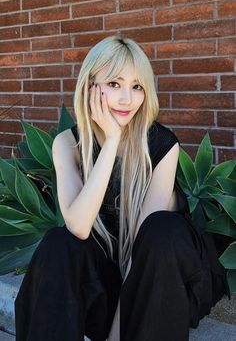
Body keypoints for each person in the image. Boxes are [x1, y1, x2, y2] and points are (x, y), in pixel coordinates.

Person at [15, 36, 230, 341]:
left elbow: (141, 252)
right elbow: (77, 226)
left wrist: (118, 335)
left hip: (163, 278)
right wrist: (112, 141)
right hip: (108, 278)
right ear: (91, 86)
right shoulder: (68, 144)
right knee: (58, 243)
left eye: (137, 86)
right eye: (115, 84)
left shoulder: (161, 145)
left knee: (160, 228)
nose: (127, 99)